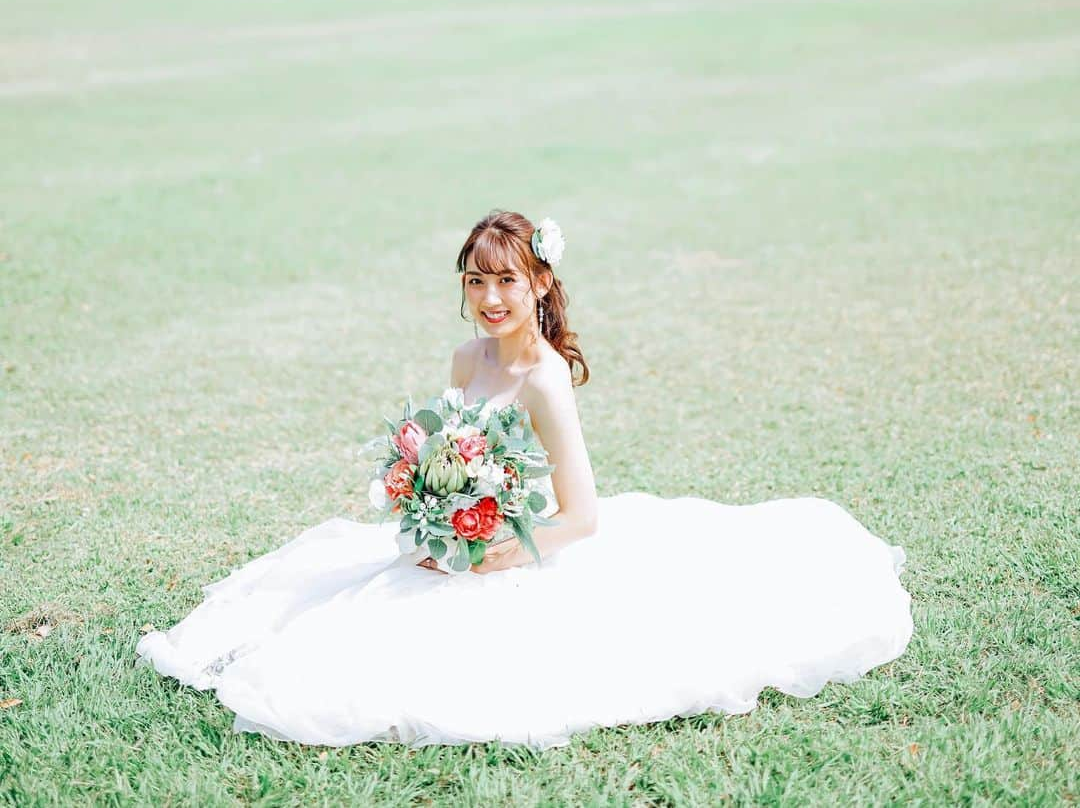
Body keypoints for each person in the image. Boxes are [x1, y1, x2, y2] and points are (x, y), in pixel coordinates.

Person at [136, 210, 913, 749]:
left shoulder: (544, 379)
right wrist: (431, 510)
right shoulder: (465, 359)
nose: (491, 298)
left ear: (540, 283)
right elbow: (448, 454)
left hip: (525, 541)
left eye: (507, 280)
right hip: (458, 534)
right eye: (476, 281)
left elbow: (582, 516)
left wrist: (496, 550)